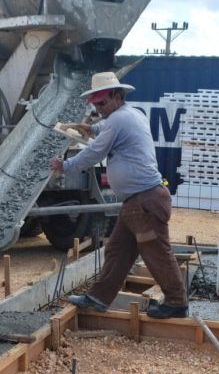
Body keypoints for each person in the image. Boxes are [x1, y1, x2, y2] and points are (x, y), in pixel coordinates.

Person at [49, 72, 188, 319]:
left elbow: (94, 152)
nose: (98, 108)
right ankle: (98, 299)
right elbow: (105, 128)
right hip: (138, 203)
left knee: (156, 252)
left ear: (116, 96)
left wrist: (65, 166)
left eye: (102, 103)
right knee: (117, 250)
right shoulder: (131, 115)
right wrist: (91, 128)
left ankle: (177, 302)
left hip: (144, 202)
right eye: (95, 104)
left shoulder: (118, 120)